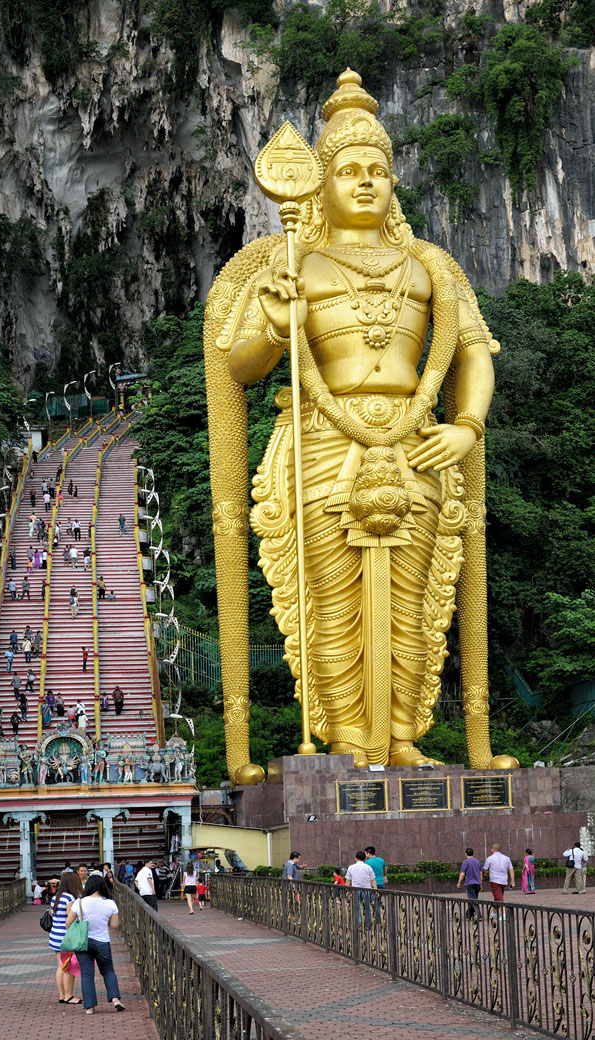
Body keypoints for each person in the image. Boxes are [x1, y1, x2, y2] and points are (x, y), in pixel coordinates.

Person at [207, 68, 519, 773]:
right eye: (347, 169)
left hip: (416, 440)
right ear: (318, 183)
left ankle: (404, 737)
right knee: (330, 597)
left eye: (377, 169)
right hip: (321, 440)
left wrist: (465, 423)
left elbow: (473, 352)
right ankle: (348, 738)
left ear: (393, 183)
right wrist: (279, 324)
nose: (364, 181)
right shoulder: (294, 264)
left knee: (416, 597)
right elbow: (239, 365)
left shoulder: (430, 266)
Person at [65, 875, 125, 1015]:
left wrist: (74, 932)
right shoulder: (110, 903)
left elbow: (68, 922)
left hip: (83, 942)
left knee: (87, 975)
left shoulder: (79, 902)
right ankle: (115, 998)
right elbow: (115, 925)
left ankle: (90, 1007)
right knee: (108, 971)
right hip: (102, 941)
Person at [48, 866, 83, 1005]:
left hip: (55, 935)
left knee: (60, 966)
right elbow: (71, 918)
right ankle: (69, 995)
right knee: (68, 966)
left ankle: (62, 995)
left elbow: (52, 914)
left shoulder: (56, 897)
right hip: (66, 936)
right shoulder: (69, 897)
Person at [345, 851, 377, 928]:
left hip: (355, 890)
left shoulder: (351, 867)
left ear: (355, 859)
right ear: (365, 859)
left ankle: (359, 924)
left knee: (357, 907)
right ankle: (368, 924)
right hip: (367, 890)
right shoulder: (368, 867)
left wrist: (347, 890)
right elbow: (372, 880)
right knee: (367, 907)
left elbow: (348, 880)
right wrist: (375, 890)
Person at [482, 844, 515, 916]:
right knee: (498, 896)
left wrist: (483, 876)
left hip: (494, 880)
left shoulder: (490, 858)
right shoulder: (507, 858)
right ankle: (493, 913)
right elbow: (511, 869)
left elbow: (484, 869)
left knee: (499, 898)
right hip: (504, 880)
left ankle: (504, 914)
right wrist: (512, 880)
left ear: (492, 849)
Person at [457, 847, 483, 918]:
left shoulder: (465, 862)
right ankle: (468, 915)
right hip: (477, 883)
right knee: (473, 899)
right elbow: (481, 873)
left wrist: (459, 882)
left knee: (473, 900)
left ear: (465, 854)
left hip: (469, 884)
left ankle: (479, 915)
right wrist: (481, 884)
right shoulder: (477, 861)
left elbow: (462, 874)